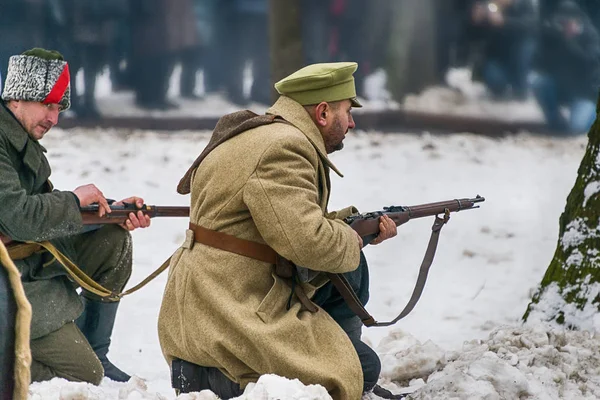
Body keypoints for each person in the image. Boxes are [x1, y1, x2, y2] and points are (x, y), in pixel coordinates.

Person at [158, 62, 403, 399]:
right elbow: (305, 242)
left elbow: (279, 220)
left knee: (351, 267)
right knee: (362, 370)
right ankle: (211, 377)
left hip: (220, 290)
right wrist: (351, 236)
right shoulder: (284, 147)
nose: (351, 122)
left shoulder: (262, 132)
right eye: (347, 112)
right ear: (321, 113)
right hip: (229, 303)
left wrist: (350, 226)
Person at [0, 48, 151, 384]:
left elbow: (36, 209)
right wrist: (72, 200)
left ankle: (94, 347)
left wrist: (108, 212)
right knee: (80, 374)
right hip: (7, 276)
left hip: (25, 259)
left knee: (112, 239)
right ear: (17, 98)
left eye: (58, 108)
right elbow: (19, 217)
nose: (53, 118)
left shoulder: (17, 137)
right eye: (47, 105)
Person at [530, 0, 600, 134]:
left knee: (577, 127)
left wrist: (571, 43)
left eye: (569, 22)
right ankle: (555, 121)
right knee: (539, 83)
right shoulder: (554, 36)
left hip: (585, 92)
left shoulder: (590, 37)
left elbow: (589, 63)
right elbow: (539, 61)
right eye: (562, 22)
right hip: (563, 87)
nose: (565, 26)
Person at [469, 0, 538, 100]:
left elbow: (530, 25)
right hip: (497, 57)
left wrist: (505, 22)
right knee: (495, 82)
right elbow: (475, 38)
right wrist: (476, 21)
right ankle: (501, 85)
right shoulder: (489, 6)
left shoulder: (524, 4)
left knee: (527, 47)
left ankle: (520, 85)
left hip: (518, 54)